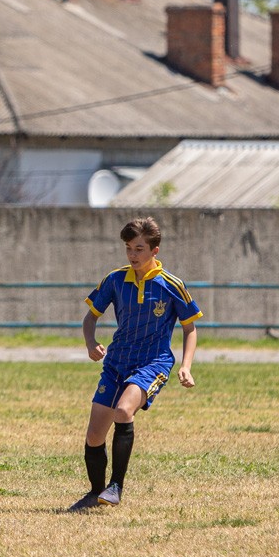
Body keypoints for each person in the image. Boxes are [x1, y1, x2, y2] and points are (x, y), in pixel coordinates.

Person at [69, 217, 201, 511]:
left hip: (152, 364)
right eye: (129, 248)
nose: (132, 255)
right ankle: (95, 493)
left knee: (123, 410)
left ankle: (116, 486)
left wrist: (186, 365)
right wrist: (91, 343)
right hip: (116, 363)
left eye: (139, 248)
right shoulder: (115, 279)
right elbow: (90, 317)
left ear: (155, 250)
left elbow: (190, 328)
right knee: (93, 435)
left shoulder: (171, 285)